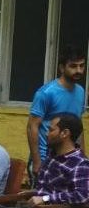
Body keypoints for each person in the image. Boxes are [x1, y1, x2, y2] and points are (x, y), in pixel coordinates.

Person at [27, 46, 86, 179]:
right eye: (73, 66)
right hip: (45, 158)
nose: (78, 70)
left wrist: (83, 156)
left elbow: (78, 126)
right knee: (42, 198)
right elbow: (32, 127)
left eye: (82, 66)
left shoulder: (81, 91)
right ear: (61, 68)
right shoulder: (46, 93)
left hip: (69, 160)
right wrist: (37, 161)